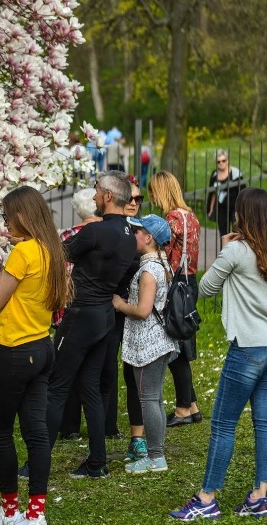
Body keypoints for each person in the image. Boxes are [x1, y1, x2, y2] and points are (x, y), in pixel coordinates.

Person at [170, 188, 267, 521]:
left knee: (224, 424)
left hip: (250, 347)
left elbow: (206, 288)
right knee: (266, 420)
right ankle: (259, 496)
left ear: (244, 216)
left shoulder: (236, 252)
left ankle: (207, 498)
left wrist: (226, 252)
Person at [0, 186, 71, 525]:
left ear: (23, 217)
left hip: (13, 352)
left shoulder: (23, 251)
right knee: (36, 433)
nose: (5, 223)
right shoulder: (49, 249)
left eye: (7, 217)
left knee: (0, 432)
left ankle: (10, 510)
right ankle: (36, 515)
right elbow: (10, 291)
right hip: (42, 349)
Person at [46, 171, 137, 479]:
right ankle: (97, 461)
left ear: (108, 196)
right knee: (90, 388)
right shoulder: (129, 234)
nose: (95, 196)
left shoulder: (95, 231)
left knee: (57, 387)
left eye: (98, 191)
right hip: (105, 318)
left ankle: (36, 463)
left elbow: (60, 253)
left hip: (81, 315)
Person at [113, 214, 177, 474]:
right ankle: (156, 453)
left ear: (148, 238)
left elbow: (142, 310)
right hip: (161, 342)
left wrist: (119, 304)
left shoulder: (149, 272)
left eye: (137, 231)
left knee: (149, 399)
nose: (133, 235)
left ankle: (155, 456)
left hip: (149, 343)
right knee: (156, 399)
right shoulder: (162, 265)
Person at [147, 171, 202, 427]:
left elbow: (164, 252)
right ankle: (191, 404)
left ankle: (183, 408)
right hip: (190, 282)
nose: (151, 198)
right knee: (180, 342)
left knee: (175, 348)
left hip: (176, 284)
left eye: (153, 192)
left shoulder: (172, 219)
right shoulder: (191, 215)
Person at [53, 188, 101, 442]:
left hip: (68, 309)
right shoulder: (103, 236)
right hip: (94, 309)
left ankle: (68, 425)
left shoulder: (67, 236)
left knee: (65, 371)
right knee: (94, 374)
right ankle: (104, 425)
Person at [112, 179, 146, 458]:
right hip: (111, 308)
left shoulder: (145, 232)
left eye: (139, 199)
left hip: (136, 312)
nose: (135, 203)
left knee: (134, 373)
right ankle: (107, 425)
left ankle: (138, 436)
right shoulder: (113, 229)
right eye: (130, 199)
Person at [206, 150, 244, 236]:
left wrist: (241, 209)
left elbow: (242, 192)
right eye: (218, 161)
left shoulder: (235, 173)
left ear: (228, 160)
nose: (221, 163)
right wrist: (211, 209)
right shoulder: (214, 174)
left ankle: (236, 249)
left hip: (235, 207)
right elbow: (213, 193)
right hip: (221, 207)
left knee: (237, 232)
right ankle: (225, 248)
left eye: (223, 160)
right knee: (223, 233)